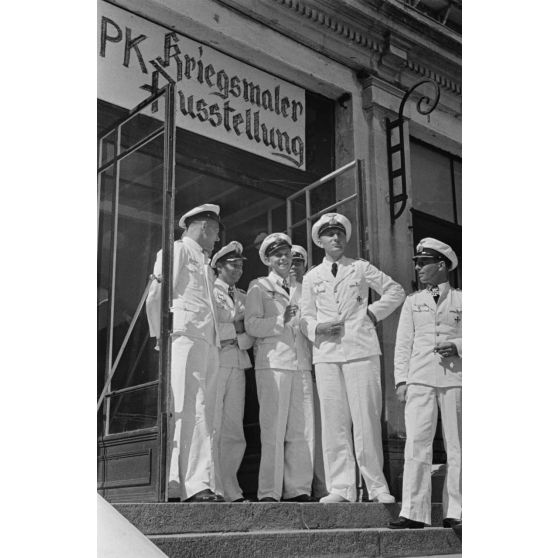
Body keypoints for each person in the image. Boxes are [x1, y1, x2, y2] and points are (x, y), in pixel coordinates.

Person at [300, 212, 405, 503]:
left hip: (361, 349)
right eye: (330, 234)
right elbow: (305, 316)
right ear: (320, 240)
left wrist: (372, 313)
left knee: (366, 418)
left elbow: (395, 290)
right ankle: (341, 487)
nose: (336, 238)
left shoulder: (359, 268)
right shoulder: (311, 277)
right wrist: (317, 328)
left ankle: (377, 486)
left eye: (340, 234)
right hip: (327, 354)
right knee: (334, 422)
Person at [145, 203, 225, 503]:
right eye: (215, 232)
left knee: (202, 410)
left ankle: (185, 483)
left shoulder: (204, 262)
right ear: (204, 227)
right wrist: (159, 337)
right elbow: (156, 295)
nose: (216, 239)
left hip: (205, 340)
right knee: (187, 409)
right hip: (184, 337)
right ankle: (192, 484)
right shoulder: (178, 250)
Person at [389, 238, 462, 530]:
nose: (419, 267)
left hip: (456, 378)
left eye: (424, 262)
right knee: (416, 445)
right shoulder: (412, 301)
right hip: (419, 378)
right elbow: (402, 343)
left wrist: (457, 345)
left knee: (459, 446)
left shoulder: (463, 299)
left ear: (441, 265)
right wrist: (401, 380)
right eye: (417, 263)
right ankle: (413, 512)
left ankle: (456, 511)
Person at [245, 233, 314, 502]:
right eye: (277, 255)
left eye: (286, 253)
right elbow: (251, 325)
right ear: (268, 260)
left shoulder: (301, 287)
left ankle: (298, 489)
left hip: (301, 363)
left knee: (301, 429)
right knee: (273, 429)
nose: (283, 258)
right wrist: (279, 321)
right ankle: (269, 492)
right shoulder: (259, 286)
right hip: (273, 363)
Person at [210, 241, 254, 502]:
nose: (238, 269)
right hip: (215, 362)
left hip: (237, 362)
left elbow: (250, 337)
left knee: (233, 428)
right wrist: (235, 327)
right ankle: (212, 485)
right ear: (218, 266)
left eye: (240, 265)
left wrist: (235, 330)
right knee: (213, 425)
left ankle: (231, 487)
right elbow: (211, 327)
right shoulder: (210, 291)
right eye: (232, 264)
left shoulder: (244, 296)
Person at [291, 244, 328, 500]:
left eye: (299, 261)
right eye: (290, 261)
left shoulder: (311, 291)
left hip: (311, 365)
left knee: (314, 429)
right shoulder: (275, 289)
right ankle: (292, 487)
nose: (294, 265)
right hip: (281, 366)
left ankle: (319, 486)